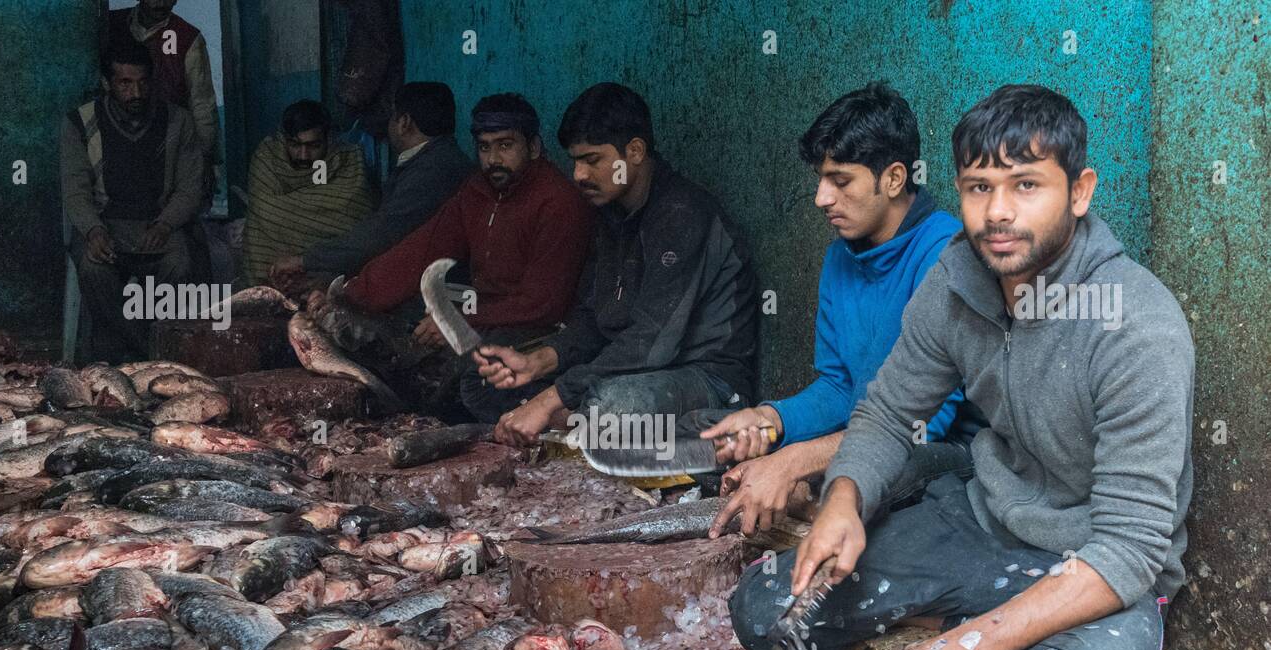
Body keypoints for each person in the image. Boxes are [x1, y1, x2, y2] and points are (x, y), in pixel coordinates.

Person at [731, 85, 1193, 650]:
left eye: (1026, 185)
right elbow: (889, 415)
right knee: (767, 611)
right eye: (978, 188)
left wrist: (968, 649)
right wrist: (844, 498)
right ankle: (976, 625)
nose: (998, 213)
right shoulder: (954, 282)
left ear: (1081, 192)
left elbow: (1129, 547)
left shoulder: (1137, 326)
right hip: (982, 522)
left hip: (1089, 563)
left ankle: (972, 634)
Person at [693, 84, 973, 538]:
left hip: (944, 451)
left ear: (895, 179)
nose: (822, 197)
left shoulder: (945, 255)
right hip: (871, 435)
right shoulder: (842, 256)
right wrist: (774, 419)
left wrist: (795, 461)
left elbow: (925, 421)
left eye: (840, 181)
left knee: (874, 473)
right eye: (821, 179)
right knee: (728, 440)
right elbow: (841, 386)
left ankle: (819, 506)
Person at [469, 83, 759, 441]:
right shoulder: (610, 214)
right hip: (634, 371)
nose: (578, 175)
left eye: (592, 160)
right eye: (575, 161)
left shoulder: (683, 215)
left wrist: (548, 400)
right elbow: (596, 319)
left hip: (705, 379)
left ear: (635, 151)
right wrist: (539, 361)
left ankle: (683, 440)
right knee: (488, 385)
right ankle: (579, 433)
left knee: (608, 407)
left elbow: (652, 343)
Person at [318, 93, 593, 371]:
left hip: (536, 325)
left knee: (468, 377)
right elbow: (421, 251)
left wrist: (457, 320)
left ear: (533, 147)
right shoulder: (477, 191)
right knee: (390, 322)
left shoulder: (559, 202)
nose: (493, 159)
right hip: (481, 310)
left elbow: (543, 304)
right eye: (484, 148)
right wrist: (348, 295)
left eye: (505, 146)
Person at [61, 41, 203, 362]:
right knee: (93, 269)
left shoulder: (178, 121)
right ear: (107, 84)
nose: (136, 92)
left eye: (142, 82)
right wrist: (93, 230)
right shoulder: (79, 124)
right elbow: (75, 189)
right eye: (125, 83)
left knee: (179, 264)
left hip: (157, 224)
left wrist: (167, 223)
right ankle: (148, 353)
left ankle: (154, 344)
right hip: (106, 224)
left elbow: (190, 187)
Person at [270, 82, 473, 286]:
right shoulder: (438, 161)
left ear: (404, 122)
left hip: (438, 294)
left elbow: (380, 237)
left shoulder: (434, 170)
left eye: (392, 117)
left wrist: (305, 260)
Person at [240, 100, 374, 286]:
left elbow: (355, 220)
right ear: (283, 139)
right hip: (269, 277)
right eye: (295, 145)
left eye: (313, 146)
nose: (303, 155)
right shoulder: (267, 159)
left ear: (328, 139)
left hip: (328, 283)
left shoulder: (349, 162)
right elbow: (264, 211)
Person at [108, 0, 220, 177]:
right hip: (117, 140)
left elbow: (202, 105)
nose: (161, 3)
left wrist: (205, 159)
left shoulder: (188, 38)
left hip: (168, 142)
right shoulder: (111, 25)